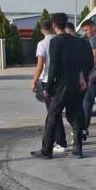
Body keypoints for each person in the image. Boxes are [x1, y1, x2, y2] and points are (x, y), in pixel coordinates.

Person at [32, 13, 93, 159]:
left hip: (60, 85)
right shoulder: (80, 42)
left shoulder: (56, 42)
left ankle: (47, 150)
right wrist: (83, 77)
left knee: (52, 116)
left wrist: (48, 87)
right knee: (76, 116)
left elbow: (53, 66)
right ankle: (78, 148)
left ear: (54, 25)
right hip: (76, 85)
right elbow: (90, 62)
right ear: (66, 24)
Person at [30, 17, 64, 154]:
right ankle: (62, 140)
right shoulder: (60, 40)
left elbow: (40, 65)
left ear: (42, 29)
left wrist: (34, 81)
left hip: (48, 81)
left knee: (52, 113)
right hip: (62, 80)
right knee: (57, 112)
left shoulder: (42, 43)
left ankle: (60, 142)